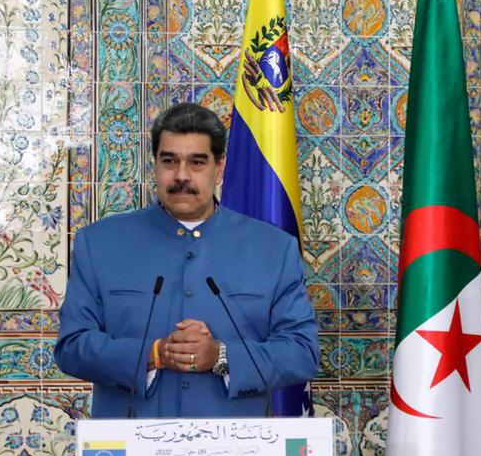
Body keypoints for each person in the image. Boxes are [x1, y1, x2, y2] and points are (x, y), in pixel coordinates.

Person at [56, 102, 319, 419]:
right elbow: (72, 347)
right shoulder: (98, 244)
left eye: (197, 163)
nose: (182, 176)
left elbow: (302, 353)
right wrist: (153, 354)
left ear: (219, 168)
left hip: (237, 453)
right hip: (131, 454)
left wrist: (221, 356)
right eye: (169, 161)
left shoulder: (274, 249)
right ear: (154, 164)